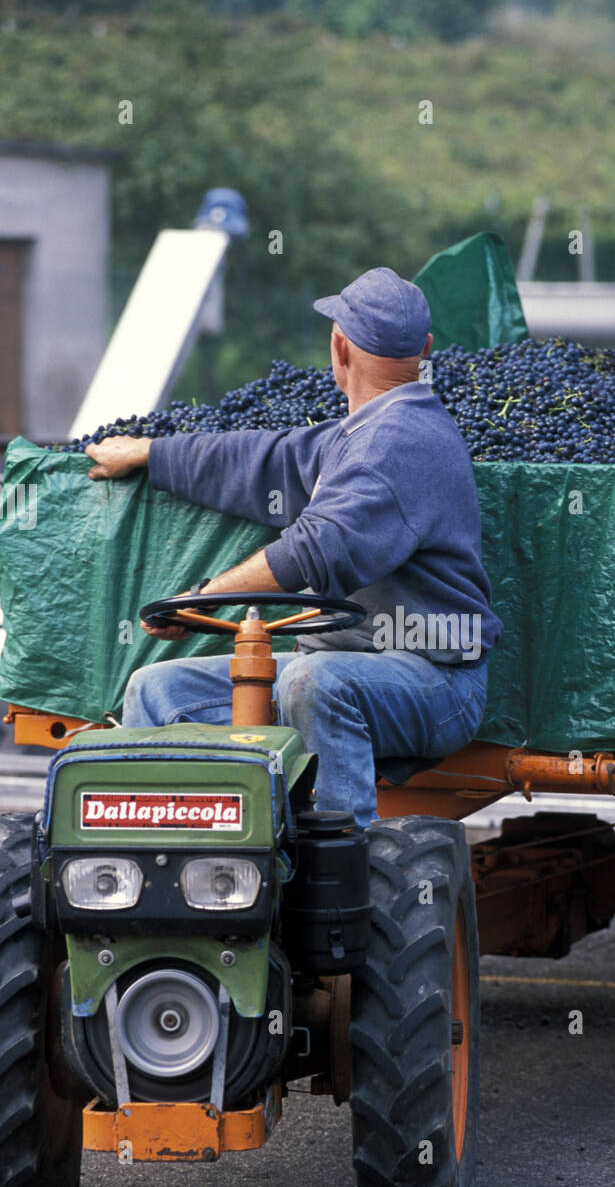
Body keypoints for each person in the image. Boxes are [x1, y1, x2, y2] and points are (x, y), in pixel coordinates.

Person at [85, 267, 503, 827]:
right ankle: (173, 863)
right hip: (345, 662)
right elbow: (266, 460)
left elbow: (313, 551)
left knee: (317, 680)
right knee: (158, 690)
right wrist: (151, 454)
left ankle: (339, 876)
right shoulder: (359, 431)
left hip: (436, 679)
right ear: (425, 348)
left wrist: (200, 599)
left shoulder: (404, 442)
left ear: (339, 346)